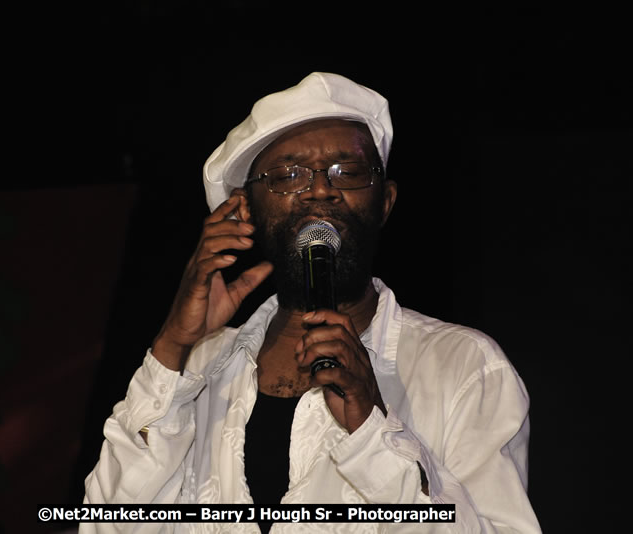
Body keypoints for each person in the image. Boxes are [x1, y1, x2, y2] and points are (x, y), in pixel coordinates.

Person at [80, 72, 541, 533]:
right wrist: (173, 346)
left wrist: (373, 431)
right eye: (288, 175)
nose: (320, 190)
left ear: (385, 202)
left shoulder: (463, 367)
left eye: (349, 171)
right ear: (247, 211)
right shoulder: (200, 373)